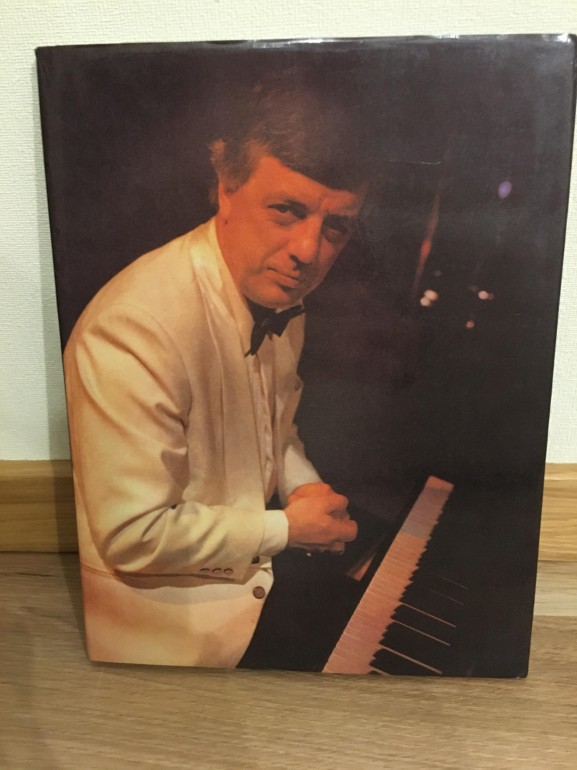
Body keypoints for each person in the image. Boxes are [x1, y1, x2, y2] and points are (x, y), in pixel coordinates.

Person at [64, 69, 371, 668]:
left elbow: (271, 423)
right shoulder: (133, 327)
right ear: (226, 188)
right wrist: (289, 528)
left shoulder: (278, 291)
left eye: (336, 226)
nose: (308, 252)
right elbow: (132, 536)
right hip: (165, 630)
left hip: (250, 580)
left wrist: (302, 483)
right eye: (287, 210)